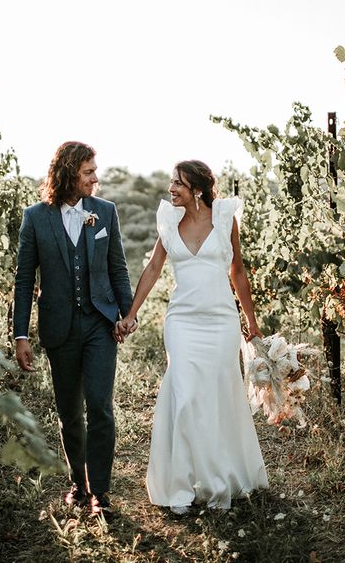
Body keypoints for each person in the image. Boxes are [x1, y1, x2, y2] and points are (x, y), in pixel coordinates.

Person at [116, 160, 268, 514]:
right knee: (184, 398)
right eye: (171, 181)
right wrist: (131, 313)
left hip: (220, 321)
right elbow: (153, 267)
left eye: (178, 183)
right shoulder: (168, 221)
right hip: (182, 321)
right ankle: (181, 486)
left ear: (197, 189)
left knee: (215, 397)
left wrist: (252, 322)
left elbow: (238, 271)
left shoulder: (225, 217)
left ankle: (218, 482)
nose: (171, 189)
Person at [13, 141, 134, 519]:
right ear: (68, 173)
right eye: (88, 172)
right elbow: (23, 279)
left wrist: (126, 313)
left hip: (99, 322)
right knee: (69, 412)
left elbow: (118, 268)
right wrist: (20, 334)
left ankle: (100, 491)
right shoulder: (35, 217)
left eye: (94, 171)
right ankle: (78, 485)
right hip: (59, 327)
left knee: (100, 406)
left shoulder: (105, 212)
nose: (95, 179)